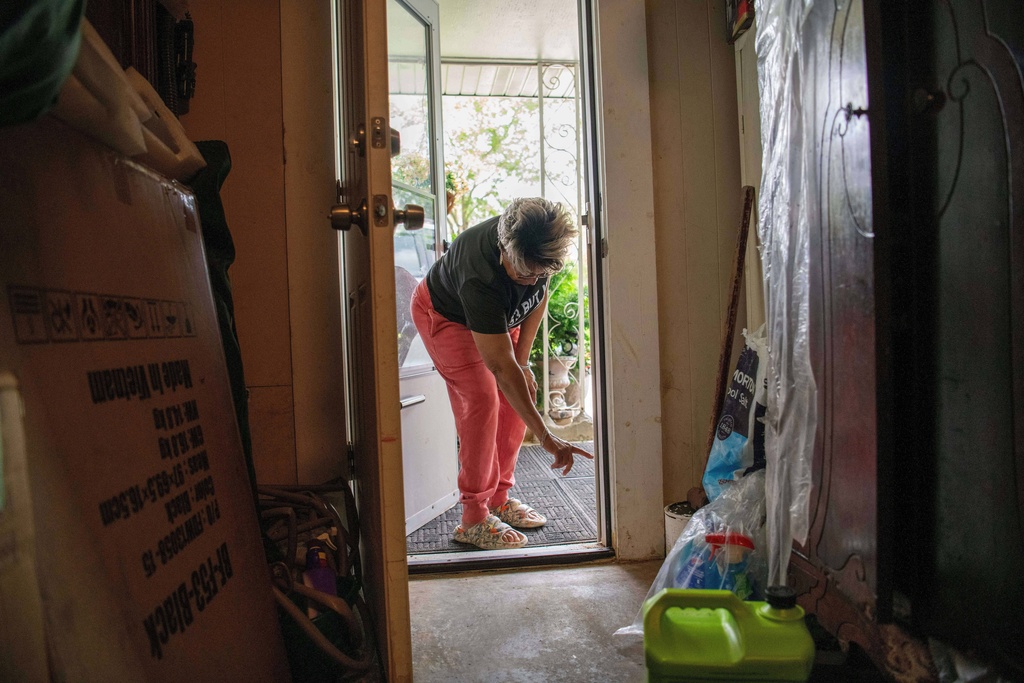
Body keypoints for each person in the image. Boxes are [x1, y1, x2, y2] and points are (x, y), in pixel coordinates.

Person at [410, 197, 594, 550]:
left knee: (518, 389)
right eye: (523, 272)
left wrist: (523, 364)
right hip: (448, 316)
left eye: (539, 273)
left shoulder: (538, 246)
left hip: (500, 316)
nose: (530, 280)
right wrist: (546, 436)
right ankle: (474, 517)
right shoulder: (479, 275)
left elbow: (538, 297)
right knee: (482, 399)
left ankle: (499, 498)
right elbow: (498, 365)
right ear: (503, 247)